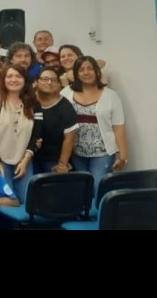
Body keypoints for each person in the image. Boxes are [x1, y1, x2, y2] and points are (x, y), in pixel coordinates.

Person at [61, 56, 128, 201]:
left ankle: (98, 220)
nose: (86, 72)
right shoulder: (66, 92)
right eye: (82, 69)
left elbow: (119, 127)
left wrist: (123, 155)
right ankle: (83, 219)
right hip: (76, 151)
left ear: (97, 72)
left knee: (98, 187)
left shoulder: (111, 96)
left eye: (90, 68)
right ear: (76, 73)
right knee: (81, 188)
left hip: (103, 152)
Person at [0, 64, 43, 204]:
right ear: (3, 79)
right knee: (7, 201)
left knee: (28, 200)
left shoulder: (34, 104)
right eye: (9, 76)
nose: (13, 80)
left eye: (18, 76)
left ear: (24, 80)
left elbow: (36, 135)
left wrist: (26, 160)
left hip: (23, 160)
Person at [34, 67, 78, 175]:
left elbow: (69, 138)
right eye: (45, 79)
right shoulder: (28, 101)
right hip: (29, 156)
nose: (49, 82)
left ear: (59, 85)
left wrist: (62, 164)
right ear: (36, 82)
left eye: (53, 80)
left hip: (53, 159)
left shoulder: (65, 107)